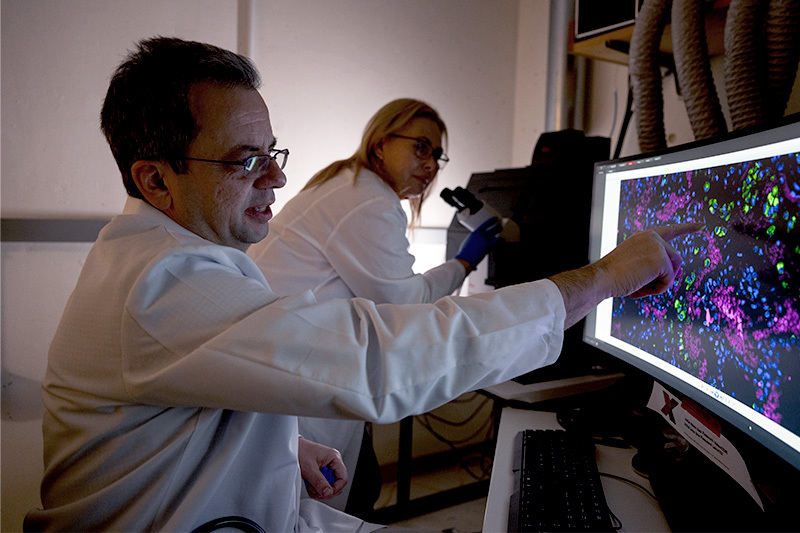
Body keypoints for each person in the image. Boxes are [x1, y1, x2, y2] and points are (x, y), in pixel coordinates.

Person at [24, 36, 700, 533]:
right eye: (245, 161)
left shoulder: (183, 251)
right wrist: (605, 277)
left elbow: (202, 376)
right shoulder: (160, 282)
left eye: (273, 153)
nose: (277, 180)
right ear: (154, 179)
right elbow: (388, 349)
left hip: (266, 458)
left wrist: (274, 442)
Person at [247, 98, 501, 514]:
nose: (432, 164)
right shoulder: (367, 198)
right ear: (381, 144)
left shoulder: (348, 182)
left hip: (297, 364)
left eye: (437, 154)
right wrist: (465, 261)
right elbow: (406, 302)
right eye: (421, 147)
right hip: (298, 380)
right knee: (320, 508)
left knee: (356, 489)